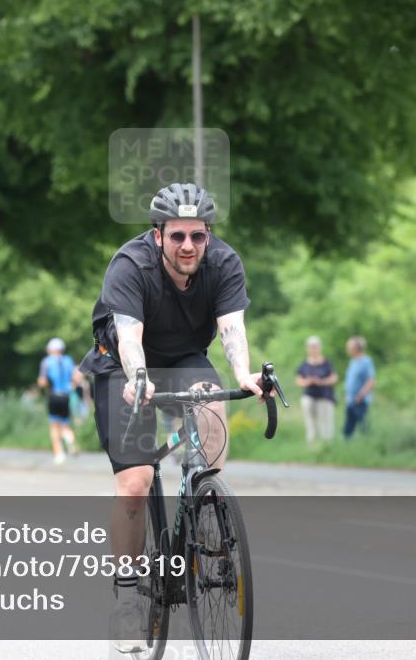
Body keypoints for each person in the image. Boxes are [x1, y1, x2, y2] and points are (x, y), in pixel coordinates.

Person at [78, 182, 264, 653]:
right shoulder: (131, 265)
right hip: (121, 366)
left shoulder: (223, 263)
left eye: (197, 237)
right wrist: (139, 377)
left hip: (184, 357)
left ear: (208, 235)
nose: (188, 246)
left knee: (212, 399)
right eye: (177, 236)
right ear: (157, 234)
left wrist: (244, 374)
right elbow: (128, 335)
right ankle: (126, 598)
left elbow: (231, 329)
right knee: (136, 484)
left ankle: (208, 507)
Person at [38, 337, 81, 464]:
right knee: (65, 423)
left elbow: (42, 381)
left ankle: (59, 454)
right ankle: (70, 439)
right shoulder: (69, 360)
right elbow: (77, 378)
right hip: (66, 396)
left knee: (54, 426)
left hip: (54, 395)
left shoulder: (47, 362)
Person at [295, 335, 338, 442]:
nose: (313, 348)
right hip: (310, 395)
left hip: (324, 396)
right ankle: (312, 442)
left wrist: (321, 381)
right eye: (311, 346)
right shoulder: (304, 364)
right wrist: (308, 381)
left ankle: (326, 444)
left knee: (325, 422)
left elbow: (334, 378)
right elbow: (299, 380)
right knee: (310, 421)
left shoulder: (326, 362)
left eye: (315, 346)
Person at [343, 336, 376, 439]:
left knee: (363, 426)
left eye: (349, 347)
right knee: (348, 429)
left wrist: (360, 395)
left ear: (356, 348)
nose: (347, 349)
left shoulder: (366, 362)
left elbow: (371, 381)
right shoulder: (353, 361)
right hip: (351, 400)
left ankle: (370, 445)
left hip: (360, 401)